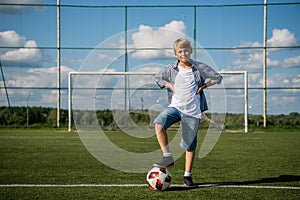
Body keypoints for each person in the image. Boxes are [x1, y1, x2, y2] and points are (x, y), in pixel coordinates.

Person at [153, 38, 222, 187]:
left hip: (192, 112)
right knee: (159, 123)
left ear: (190, 51)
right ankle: (168, 156)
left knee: (189, 145)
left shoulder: (199, 67)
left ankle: (187, 176)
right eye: (180, 51)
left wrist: (204, 86)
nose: (183, 53)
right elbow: (157, 77)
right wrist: (169, 84)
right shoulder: (171, 69)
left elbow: (217, 77)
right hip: (175, 107)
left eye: (186, 50)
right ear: (175, 54)